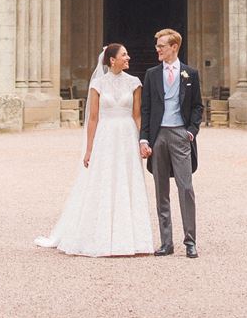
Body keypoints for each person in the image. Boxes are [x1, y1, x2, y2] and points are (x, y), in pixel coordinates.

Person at [34, 43, 156, 257]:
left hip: (127, 136)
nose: (128, 57)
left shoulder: (135, 82)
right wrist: (89, 149)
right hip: (106, 136)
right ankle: (99, 235)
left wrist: (142, 141)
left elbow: (137, 115)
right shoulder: (98, 84)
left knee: (127, 180)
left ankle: (131, 238)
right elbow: (93, 119)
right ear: (112, 60)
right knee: (104, 180)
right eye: (124, 55)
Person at [138, 27, 203, 258]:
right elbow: (146, 108)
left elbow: (197, 106)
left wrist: (191, 131)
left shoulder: (190, 74)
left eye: (161, 46)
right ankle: (167, 242)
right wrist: (144, 138)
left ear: (174, 47)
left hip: (180, 134)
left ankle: (190, 241)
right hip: (158, 136)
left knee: (186, 188)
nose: (157, 49)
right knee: (161, 190)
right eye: (157, 46)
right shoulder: (152, 74)